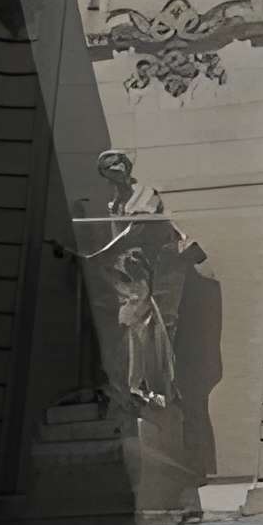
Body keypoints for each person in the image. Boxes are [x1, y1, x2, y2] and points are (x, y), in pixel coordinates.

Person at [75, 148, 198, 408]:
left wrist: (100, 254)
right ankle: (133, 385)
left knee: (146, 324)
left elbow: (135, 230)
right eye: (109, 168)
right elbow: (124, 238)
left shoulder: (146, 194)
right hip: (131, 272)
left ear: (127, 167)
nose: (117, 171)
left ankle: (144, 386)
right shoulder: (114, 204)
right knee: (129, 323)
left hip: (159, 270)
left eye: (119, 165)